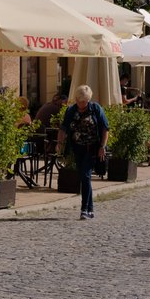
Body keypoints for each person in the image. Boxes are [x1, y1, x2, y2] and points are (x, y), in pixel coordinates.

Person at [58, 84, 109, 221]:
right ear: (76, 99)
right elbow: (63, 128)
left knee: (85, 176)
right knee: (84, 177)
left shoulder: (95, 109)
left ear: (89, 99)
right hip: (77, 148)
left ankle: (84, 209)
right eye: (80, 101)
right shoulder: (71, 110)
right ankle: (91, 209)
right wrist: (60, 144)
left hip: (92, 148)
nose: (82, 104)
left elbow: (105, 129)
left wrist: (102, 146)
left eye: (85, 101)